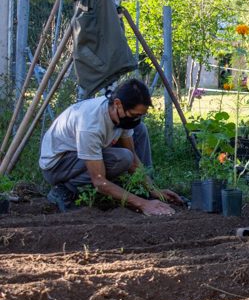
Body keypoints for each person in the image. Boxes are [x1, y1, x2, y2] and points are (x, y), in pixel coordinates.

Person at [40, 79, 181, 216]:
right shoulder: (91, 126)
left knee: (139, 130)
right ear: (118, 103)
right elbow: (99, 181)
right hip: (57, 166)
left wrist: (153, 190)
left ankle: (140, 190)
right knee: (122, 158)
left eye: (140, 115)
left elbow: (133, 160)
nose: (136, 119)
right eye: (134, 115)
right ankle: (65, 189)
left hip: (80, 156)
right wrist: (142, 204)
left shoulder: (119, 113)